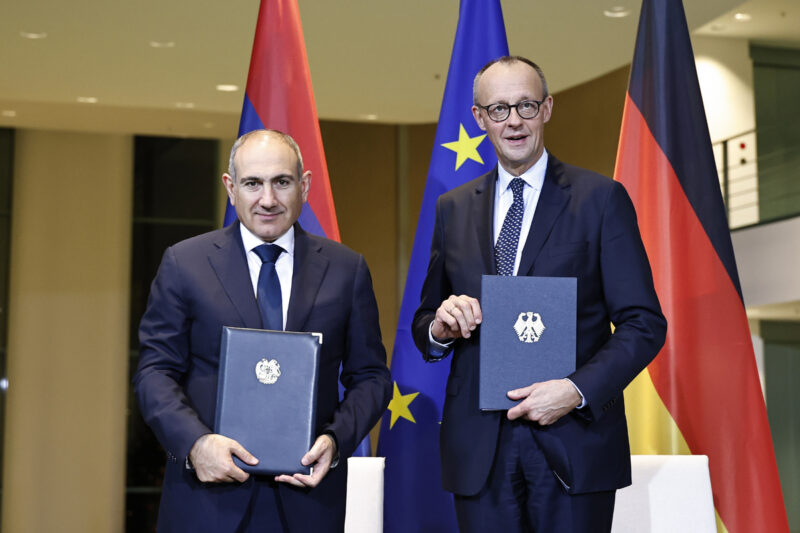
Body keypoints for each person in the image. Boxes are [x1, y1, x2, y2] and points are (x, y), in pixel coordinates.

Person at [412, 56, 667, 532]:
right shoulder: (453, 209)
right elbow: (426, 318)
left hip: (573, 440)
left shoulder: (600, 200)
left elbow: (644, 324)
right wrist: (440, 329)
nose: (514, 121)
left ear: (547, 109)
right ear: (480, 118)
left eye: (526, 105)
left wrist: (576, 390)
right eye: (499, 109)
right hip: (480, 448)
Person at [134, 129, 392, 533]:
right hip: (207, 501)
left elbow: (371, 377)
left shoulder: (346, 270)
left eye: (282, 182)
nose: (268, 199)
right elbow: (154, 373)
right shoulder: (185, 264)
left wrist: (335, 441)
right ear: (230, 188)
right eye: (253, 183)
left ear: (304, 186)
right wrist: (196, 444)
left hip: (309, 501)